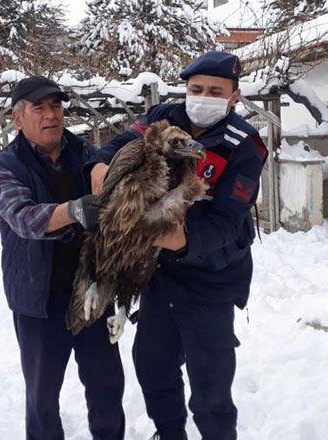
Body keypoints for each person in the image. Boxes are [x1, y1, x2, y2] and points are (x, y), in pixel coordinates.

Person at [87, 52, 268, 440]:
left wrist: (169, 236)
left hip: (211, 277)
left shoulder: (245, 146)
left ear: (234, 97)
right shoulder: (163, 119)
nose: (203, 97)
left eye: (215, 91)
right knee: (152, 365)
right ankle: (169, 433)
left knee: (211, 385)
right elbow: (119, 144)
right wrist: (101, 165)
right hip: (160, 273)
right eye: (196, 88)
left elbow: (225, 223)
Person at [0, 76, 126, 440]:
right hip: (39, 298)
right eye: (39, 108)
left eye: (56, 106)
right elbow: (23, 218)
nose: (51, 116)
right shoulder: (6, 165)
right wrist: (76, 211)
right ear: (18, 119)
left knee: (107, 385)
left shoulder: (84, 154)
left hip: (91, 290)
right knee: (42, 395)